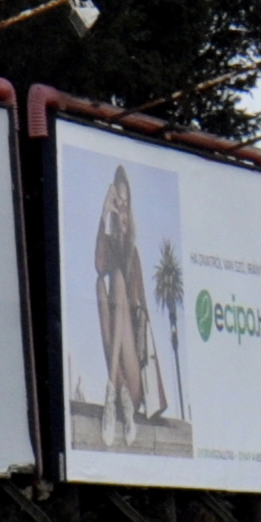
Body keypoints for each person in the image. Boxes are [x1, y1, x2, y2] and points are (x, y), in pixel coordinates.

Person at [95, 166, 168, 440]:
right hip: (120, 366)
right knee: (100, 284)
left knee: (116, 280)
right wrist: (104, 213)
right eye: (118, 204)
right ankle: (115, 392)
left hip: (135, 368)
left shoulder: (133, 253)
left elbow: (142, 316)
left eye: (126, 204)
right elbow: (98, 265)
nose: (122, 210)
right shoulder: (111, 243)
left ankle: (114, 391)